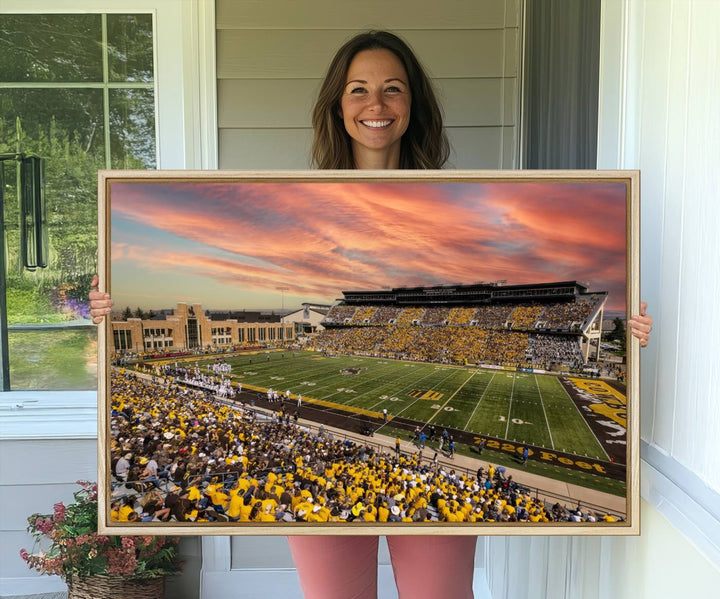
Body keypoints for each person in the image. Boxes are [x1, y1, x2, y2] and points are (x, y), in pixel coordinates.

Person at [89, 29, 653, 599]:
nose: (375, 105)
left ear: (413, 105)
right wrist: (105, 311)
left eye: (393, 89)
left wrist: (626, 336)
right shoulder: (304, 198)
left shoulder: (461, 198)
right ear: (337, 104)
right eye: (358, 89)